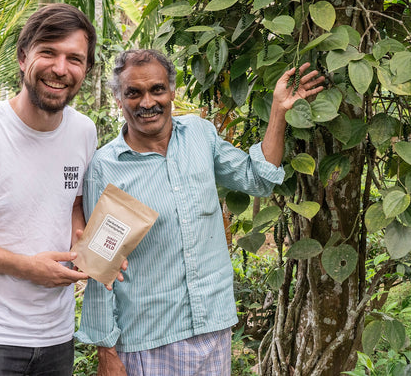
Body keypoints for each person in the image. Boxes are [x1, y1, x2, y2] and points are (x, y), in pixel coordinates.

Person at [76, 49, 325, 375]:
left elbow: (258, 178)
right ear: (119, 99)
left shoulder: (198, 135)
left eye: (157, 90)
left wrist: (278, 110)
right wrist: (106, 352)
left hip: (212, 329)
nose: (147, 102)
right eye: (133, 93)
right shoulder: (108, 168)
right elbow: (99, 268)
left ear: (172, 91)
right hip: (148, 339)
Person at [0, 3, 122, 376]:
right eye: (48, 52)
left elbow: (72, 206)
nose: (60, 69)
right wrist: (26, 267)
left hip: (57, 337)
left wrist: (97, 251)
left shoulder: (84, 132)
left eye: (74, 58)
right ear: (22, 56)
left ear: (87, 70)